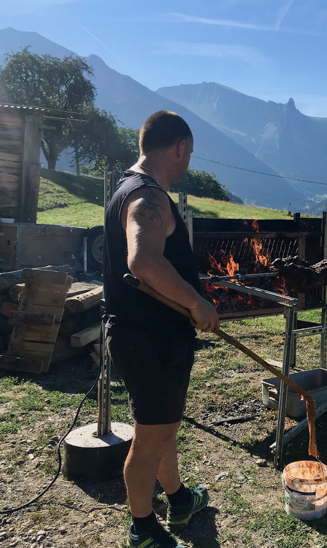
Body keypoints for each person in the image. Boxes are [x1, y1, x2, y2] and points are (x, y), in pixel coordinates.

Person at [103, 110, 220, 547]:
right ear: (180, 147)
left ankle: (179, 498)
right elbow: (143, 261)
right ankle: (143, 528)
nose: (188, 161)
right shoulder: (147, 198)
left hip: (155, 337)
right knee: (150, 436)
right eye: (189, 153)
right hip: (148, 339)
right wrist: (197, 302)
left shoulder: (126, 187)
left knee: (163, 425)